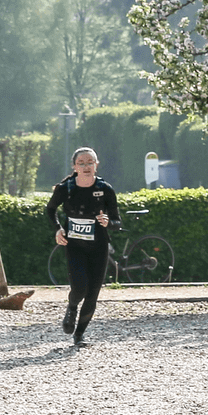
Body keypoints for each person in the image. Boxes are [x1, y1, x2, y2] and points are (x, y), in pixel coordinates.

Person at [45, 147, 121, 348]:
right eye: (82, 163)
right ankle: (71, 307)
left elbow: (117, 221)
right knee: (79, 288)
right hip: (75, 246)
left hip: (99, 247)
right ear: (75, 166)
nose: (86, 166)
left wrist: (108, 223)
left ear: (96, 165)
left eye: (90, 162)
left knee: (93, 292)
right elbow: (50, 209)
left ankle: (79, 335)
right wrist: (58, 229)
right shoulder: (66, 188)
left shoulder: (105, 189)